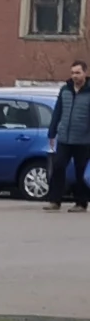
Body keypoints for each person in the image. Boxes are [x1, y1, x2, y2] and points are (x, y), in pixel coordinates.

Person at [48, 58, 90, 210]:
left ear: (85, 73)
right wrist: (52, 132)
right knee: (58, 166)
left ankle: (81, 202)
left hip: (84, 140)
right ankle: (55, 200)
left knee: (81, 171)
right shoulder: (65, 90)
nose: (75, 76)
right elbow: (58, 111)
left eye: (78, 73)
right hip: (64, 137)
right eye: (72, 73)